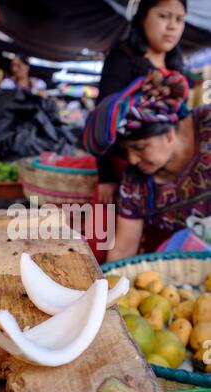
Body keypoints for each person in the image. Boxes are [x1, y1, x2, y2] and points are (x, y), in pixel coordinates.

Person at [84, 69, 211, 262]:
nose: (133, 160)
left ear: (168, 133)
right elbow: (123, 248)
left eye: (139, 147)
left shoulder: (206, 124)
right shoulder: (135, 183)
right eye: (126, 152)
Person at [96, 0, 187, 204]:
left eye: (179, 19)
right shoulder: (122, 60)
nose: (172, 26)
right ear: (143, 18)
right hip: (127, 170)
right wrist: (106, 177)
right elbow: (104, 118)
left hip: (166, 174)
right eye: (163, 16)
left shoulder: (178, 70)